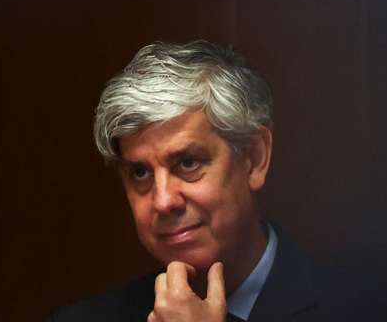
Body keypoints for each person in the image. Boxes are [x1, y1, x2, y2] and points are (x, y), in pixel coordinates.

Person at [48, 40, 355, 322]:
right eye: (140, 173)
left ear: (254, 159)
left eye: (188, 163)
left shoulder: (366, 306)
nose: (163, 201)